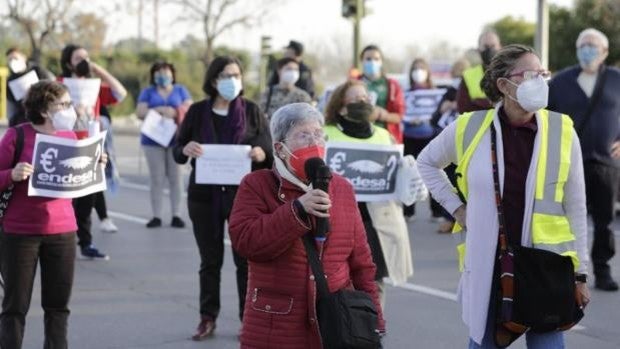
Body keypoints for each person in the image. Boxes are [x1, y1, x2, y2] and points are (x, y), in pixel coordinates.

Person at [417, 45, 589, 348]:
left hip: (546, 269)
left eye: (542, 74)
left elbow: (576, 206)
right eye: (530, 74)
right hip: (492, 265)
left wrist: (581, 273)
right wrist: (457, 209)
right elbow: (426, 162)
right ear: (504, 85)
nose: (540, 81)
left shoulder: (562, 131)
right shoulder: (469, 128)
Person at [229, 102, 385, 348]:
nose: (314, 142)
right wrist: (297, 210)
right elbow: (247, 242)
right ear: (280, 149)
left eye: (318, 134)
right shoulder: (256, 185)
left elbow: (362, 263)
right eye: (303, 135)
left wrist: (374, 320)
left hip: (335, 323)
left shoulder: (341, 188)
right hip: (277, 325)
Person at [173, 56, 273, 340]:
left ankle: (248, 318)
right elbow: (178, 148)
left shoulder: (252, 111)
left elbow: (267, 147)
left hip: (244, 198)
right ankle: (207, 317)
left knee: (245, 261)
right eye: (227, 75)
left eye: (237, 75)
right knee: (210, 260)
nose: (233, 80)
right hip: (204, 197)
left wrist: (260, 153)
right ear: (214, 80)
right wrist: (186, 148)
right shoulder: (197, 111)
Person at [0, 80, 104, 348]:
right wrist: (11, 174)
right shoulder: (17, 136)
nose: (71, 109)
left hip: (62, 232)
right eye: (64, 105)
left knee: (58, 308)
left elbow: (80, 183)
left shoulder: (69, 137)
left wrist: (96, 165)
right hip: (20, 234)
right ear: (45, 109)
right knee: (14, 308)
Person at [324, 80, 413, 307]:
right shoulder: (326, 134)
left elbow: (398, 179)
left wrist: (409, 177)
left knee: (374, 281)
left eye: (365, 98)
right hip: (338, 220)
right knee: (336, 279)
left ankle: (373, 328)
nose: (362, 102)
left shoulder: (384, 136)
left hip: (376, 222)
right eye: (355, 99)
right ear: (341, 105)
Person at [548, 28, 620, 291]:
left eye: (592, 45)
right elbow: (543, 116)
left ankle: (602, 270)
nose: (587, 49)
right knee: (566, 219)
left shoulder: (615, 79)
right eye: (583, 44)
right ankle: (567, 269)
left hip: (605, 163)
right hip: (567, 162)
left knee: (604, 222)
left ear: (605, 52)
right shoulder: (560, 81)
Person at [59, 44, 127, 260]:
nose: (83, 61)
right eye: (78, 58)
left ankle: (85, 244)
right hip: (67, 144)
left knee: (88, 197)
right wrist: (70, 108)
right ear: (69, 62)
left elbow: (120, 93)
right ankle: (63, 242)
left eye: (86, 57)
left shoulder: (93, 86)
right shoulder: (60, 84)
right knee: (68, 198)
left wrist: (99, 71)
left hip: (92, 144)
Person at [136, 61, 192, 229]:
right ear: (153, 76)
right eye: (159, 73)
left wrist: (176, 112)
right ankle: (156, 216)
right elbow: (139, 112)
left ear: (173, 75)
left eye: (166, 73)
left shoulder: (181, 90)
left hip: (176, 140)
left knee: (176, 178)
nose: (163, 76)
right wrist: (158, 109)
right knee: (157, 178)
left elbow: (190, 108)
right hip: (153, 141)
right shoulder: (148, 92)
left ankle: (176, 215)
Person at [430, 58, 470, 233]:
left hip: (466, 143)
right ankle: (451, 217)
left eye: (461, 75)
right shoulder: (448, 92)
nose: (457, 79)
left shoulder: (470, 93)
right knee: (450, 181)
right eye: (455, 75)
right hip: (448, 144)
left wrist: (456, 105)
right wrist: (443, 108)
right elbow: (434, 119)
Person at [402, 58, 444, 222]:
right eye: (415, 69)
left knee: (434, 173)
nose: (418, 72)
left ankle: (437, 211)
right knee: (409, 173)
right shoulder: (406, 93)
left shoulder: (436, 93)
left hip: (430, 137)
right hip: (410, 137)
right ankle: (408, 211)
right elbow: (401, 112)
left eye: (421, 68)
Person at [359, 44, 406, 144]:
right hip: (358, 137)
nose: (372, 62)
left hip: (386, 139)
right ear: (362, 61)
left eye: (376, 59)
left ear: (381, 62)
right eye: (368, 59)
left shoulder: (392, 85)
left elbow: (399, 116)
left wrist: (381, 115)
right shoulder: (353, 83)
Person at [5, 47, 54, 127]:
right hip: (23, 118)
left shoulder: (37, 70)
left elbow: (52, 87)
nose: (13, 62)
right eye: (10, 60)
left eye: (15, 58)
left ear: (23, 58)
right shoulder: (10, 80)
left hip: (44, 114)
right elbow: (11, 104)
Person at [457, 29, 502, 113]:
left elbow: (511, 106)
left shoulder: (509, 73)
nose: (489, 50)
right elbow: (463, 108)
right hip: (477, 125)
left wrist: (477, 102)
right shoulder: (468, 75)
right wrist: (495, 104)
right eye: (486, 46)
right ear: (478, 49)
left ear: (500, 47)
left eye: (493, 46)